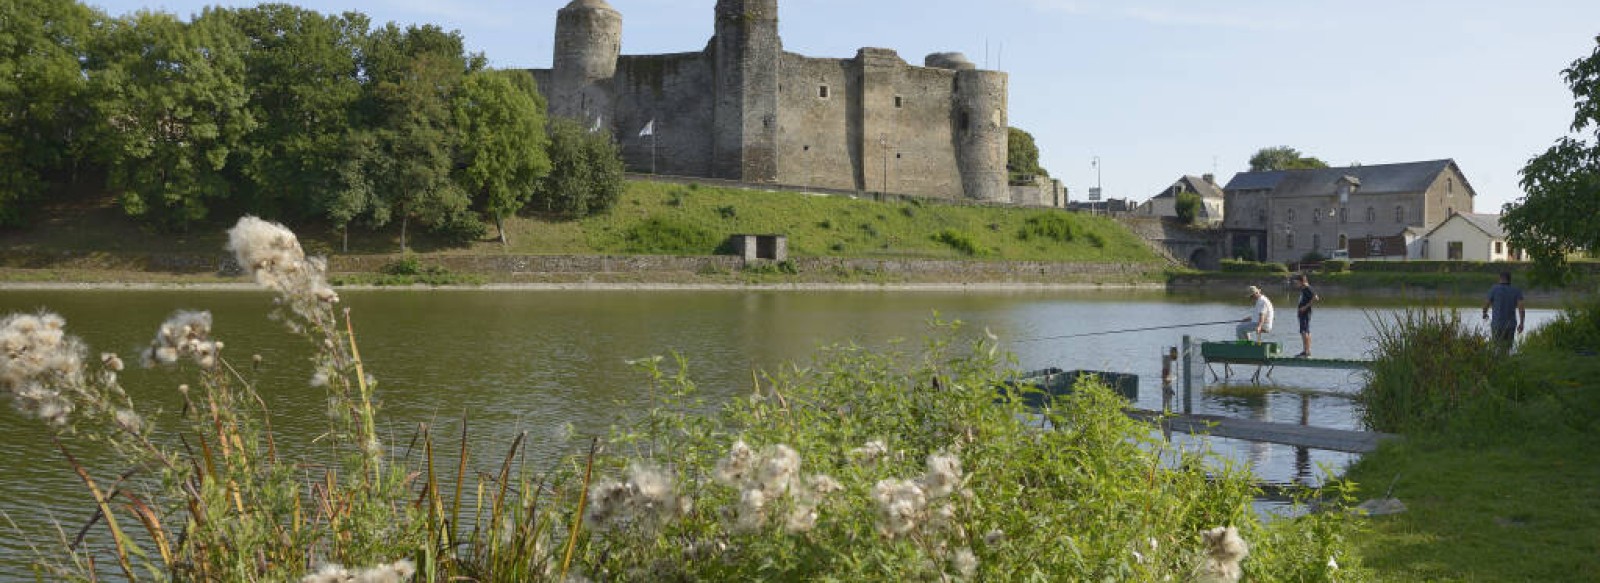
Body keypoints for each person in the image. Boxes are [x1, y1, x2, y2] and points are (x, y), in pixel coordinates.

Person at [1483, 271, 1525, 352]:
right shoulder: (1516, 290)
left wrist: (1484, 313)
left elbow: (1486, 304)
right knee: (1507, 348)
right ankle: (1506, 362)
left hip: (1497, 325)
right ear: (1510, 280)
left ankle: (1498, 363)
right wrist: (1522, 323)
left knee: (1496, 348)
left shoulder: (1494, 289)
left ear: (1500, 278)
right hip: (1511, 325)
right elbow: (1521, 308)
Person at [1292, 273, 1320, 358]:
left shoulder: (1308, 288)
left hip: (1305, 313)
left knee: (1304, 331)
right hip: (1302, 313)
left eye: (1296, 282)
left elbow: (1316, 297)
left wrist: (1305, 307)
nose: (1295, 284)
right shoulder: (1304, 289)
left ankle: (1306, 352)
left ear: (1301, 281)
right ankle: (1305, 351)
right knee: (1304, 331)